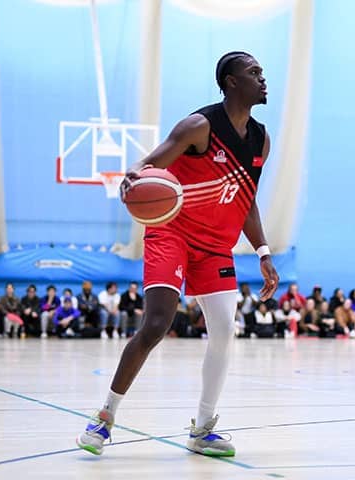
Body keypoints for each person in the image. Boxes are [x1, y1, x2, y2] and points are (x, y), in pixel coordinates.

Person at [77, 51, 280, 457]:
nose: (263, 78)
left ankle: (202, 429)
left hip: (215, 246)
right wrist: (133, 175)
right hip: (172, 233)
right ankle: (104, 416)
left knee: (224, 331)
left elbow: (246, 200)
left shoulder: (261, 140)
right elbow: (149, 163)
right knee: (156, 324)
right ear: (231, 82)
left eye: (262, 72)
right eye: (253, 72)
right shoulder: (198, 126)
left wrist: (263, 251)